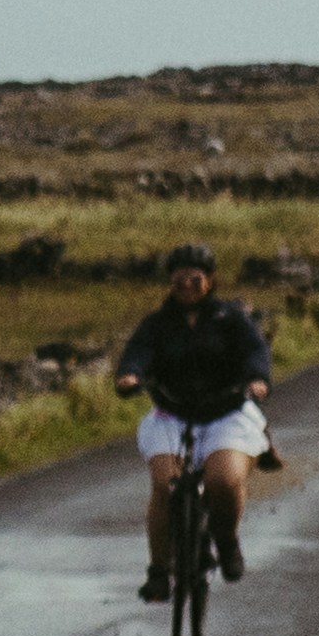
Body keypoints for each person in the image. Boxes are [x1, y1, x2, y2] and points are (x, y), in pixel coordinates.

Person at [116, 249, 278, 598]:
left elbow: (255, 350)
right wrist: (130, 375)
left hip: (225, 413)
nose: (187, 285)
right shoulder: (157, 323)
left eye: (195, 278)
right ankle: (159, 571)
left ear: (210, 281)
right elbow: (138, 352)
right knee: (165, 484)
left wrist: (258, 378)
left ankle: (226, 541)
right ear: (170, 282)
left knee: (223, 479)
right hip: (172, 414)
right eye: (179, 278)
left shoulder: (230, 319)